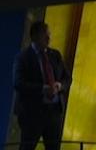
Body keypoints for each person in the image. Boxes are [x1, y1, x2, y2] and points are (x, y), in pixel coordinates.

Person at [12, 21, 72, 150]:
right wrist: (42, 89)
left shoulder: (55, 55)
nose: (49, 38)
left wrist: (59, 86)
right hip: (32, 114)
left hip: (54, 113)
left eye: (49, 34)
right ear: (34, 36)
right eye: (45, 35)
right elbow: (18, 83)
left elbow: (67, 78)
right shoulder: (23, 57)